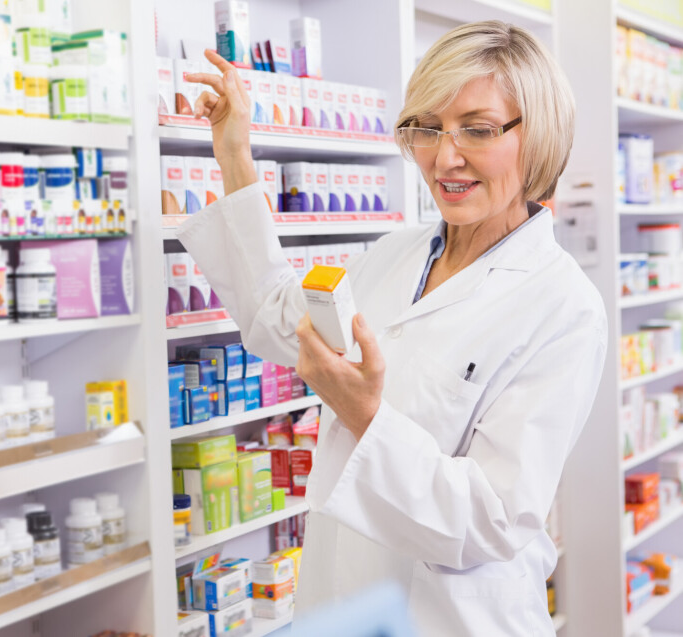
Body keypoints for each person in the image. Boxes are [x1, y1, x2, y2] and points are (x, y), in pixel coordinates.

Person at [179, 21, 607, 637]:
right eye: (429, 128)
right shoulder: (392, 255)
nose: (445, 156)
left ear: (536, 137)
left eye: (478, 130)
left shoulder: (564, 306)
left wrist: (366, 418)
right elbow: (279, 319)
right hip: (341, 606)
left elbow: (495, 518)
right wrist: (234, 153)